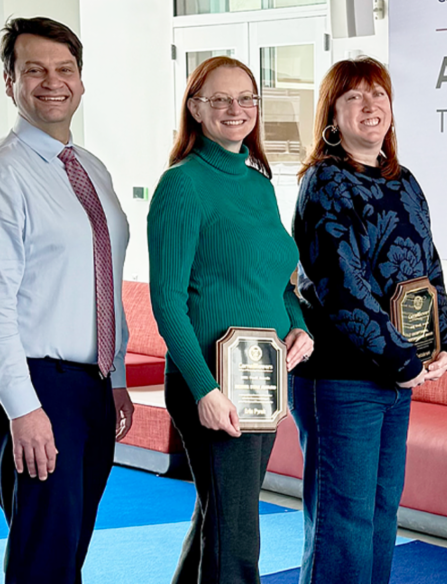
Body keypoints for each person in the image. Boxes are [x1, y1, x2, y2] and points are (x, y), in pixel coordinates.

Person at [0, 17, 135, 584]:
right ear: (10, 82)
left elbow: (99, 280)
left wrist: (116, 375)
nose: (53, 83)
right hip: (32, 383)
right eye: (35, 70)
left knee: (69, 545)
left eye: (65, 69)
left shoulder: (89, 170)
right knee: (44, 556)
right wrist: (23, 408)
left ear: (80, 80)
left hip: (90, 386)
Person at [291, 56, 447, 584]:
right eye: (354, 97)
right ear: (331, 116)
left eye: (378, 95)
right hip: (342, 378)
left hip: (397, 377)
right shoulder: (324, 182)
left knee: (382, 516)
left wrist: (445, 346)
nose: (370, 106)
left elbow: (429, 271)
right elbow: (341, 288)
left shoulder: (404, 181)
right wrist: (403, 359)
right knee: (343, 523)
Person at [148, 56, 314, 584]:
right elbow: (168, 302)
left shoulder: (258, 183)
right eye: (219, 99)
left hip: (262, 380)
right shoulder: (182, 185)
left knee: (220, 518)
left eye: (246, 99)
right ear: (195, 109)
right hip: (212, 381)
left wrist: (300, 327)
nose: (235, 110)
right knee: (237, 536)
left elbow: (277, 280)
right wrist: (204, 389)